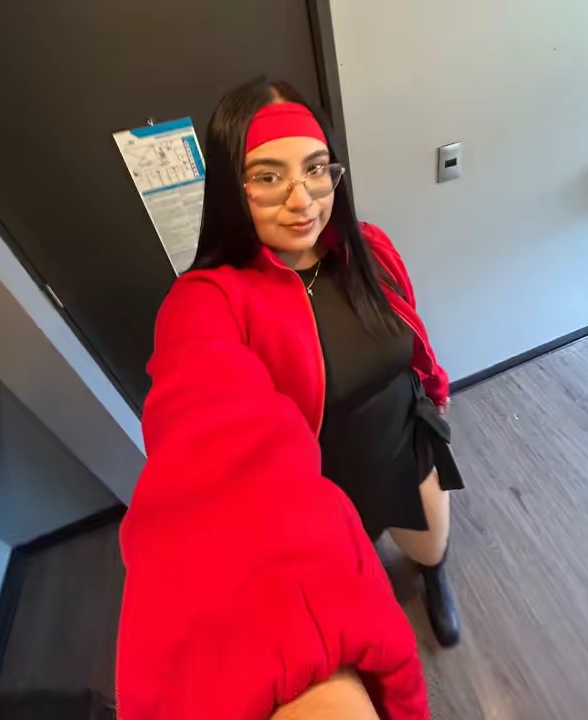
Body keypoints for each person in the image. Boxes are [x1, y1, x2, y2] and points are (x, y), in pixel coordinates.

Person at [116, 78, 464, 720]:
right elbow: (206, 432)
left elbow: (411, 333)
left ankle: (433, 580)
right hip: (321, 496)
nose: (302, 199)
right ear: (232, 188)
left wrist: (437, 389)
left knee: (431, 550)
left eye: (315, 169)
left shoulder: (369, 247)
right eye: (268, 177)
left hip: (405, 446)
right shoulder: (208, 303)